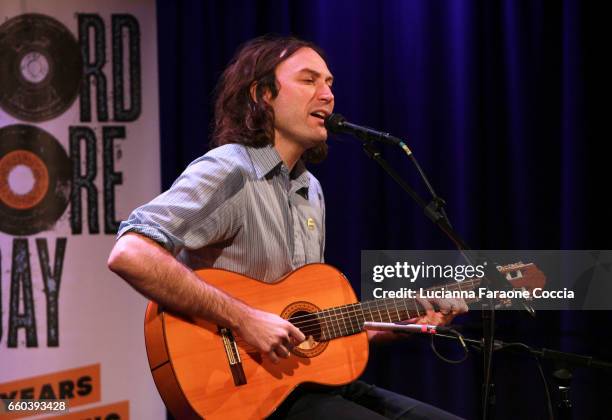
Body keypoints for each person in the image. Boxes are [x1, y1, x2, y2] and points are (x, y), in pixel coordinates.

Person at [108, 35, 467, 419]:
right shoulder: (232, 170)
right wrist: (244, 319)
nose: (327, 94)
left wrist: (400, 323)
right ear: (263, 93)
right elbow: (130, 253)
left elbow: (309, 330)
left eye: (330, 83)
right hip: (244, 396)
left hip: (305, 385)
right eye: (309, 80)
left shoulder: (310, 189)